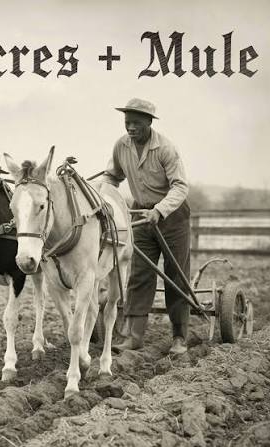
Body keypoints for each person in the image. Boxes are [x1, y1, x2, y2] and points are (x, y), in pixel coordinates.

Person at [103, 98, 190, 355]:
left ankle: (179, 337)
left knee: (175, 275)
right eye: (127, 122)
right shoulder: (121, 146)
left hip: (172, 216)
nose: (130, 127)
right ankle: (134, 336)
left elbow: (180, 186)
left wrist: (160, 210)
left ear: (149, 122)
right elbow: (112, 176)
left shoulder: (165, 149)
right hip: (140, 214)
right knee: (139, 274)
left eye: (136, 123)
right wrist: (105, 195)